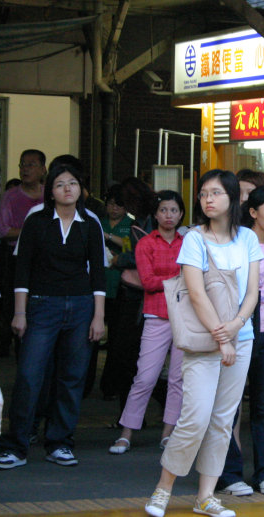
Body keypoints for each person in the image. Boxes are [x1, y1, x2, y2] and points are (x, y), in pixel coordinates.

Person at [143, 169, 262, 517]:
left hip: (242, 337)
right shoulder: (194, 238)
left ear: (232, 199)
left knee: (223, 419)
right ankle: (163, 490)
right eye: (203, 194)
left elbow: (253, 292)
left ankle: (205, 496)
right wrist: (221, 336)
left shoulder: (248, 239)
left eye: (216, 193)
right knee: (194, 417)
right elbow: (195, 293)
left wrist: (236, 327)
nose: (208, 199)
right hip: (205, 339)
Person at [0, 162, 106, 470]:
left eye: (72, 183)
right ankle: (15, 445)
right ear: (50, 191)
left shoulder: (90, 223)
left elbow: (97, 273)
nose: (67, 188)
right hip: (41, 305)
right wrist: (19, 312)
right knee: (30, 375)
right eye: (59, 184)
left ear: (80, 189)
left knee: (72, 377)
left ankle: (60, 442)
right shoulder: (37, 220)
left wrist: (99, 317)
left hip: (82, 306)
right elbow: (23, 269)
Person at [217, 186, 264, 496]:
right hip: (238, 333)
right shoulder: (236, 244)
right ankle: (229, 474)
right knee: (229, 407)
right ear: (252, 212)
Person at [109, 191, 186, 455]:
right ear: (155, 214)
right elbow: (147, 281)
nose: (168, 215)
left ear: (181, 214)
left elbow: (176, 279)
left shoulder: (187, 242)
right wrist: (178, 279)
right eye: (163, 210)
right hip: (156, 316)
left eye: (174, 210)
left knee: (177, 379)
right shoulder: (145, 244)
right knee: (144, 377)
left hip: (184, 317)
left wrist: (167, 279)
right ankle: (126, 433)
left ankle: (168, 433)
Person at [0, 149, 46, 357]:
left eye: (30, 164)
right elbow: (2, 230)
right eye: (22, 164)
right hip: (15, 258)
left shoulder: (49, 195)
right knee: (12, 304)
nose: (25, 169)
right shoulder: (10, 197)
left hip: (43, 260)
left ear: (43, 169)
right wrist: (32, 232)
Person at [99, 184, 134, 399]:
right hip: (99, 287)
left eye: (118, 205)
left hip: (119, 287)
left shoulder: (131, 224)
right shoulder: (98, 222)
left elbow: (132, 246)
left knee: (116, 340)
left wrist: (108, 237)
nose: (113, 209)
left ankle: (111, 385)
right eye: (110, 204)